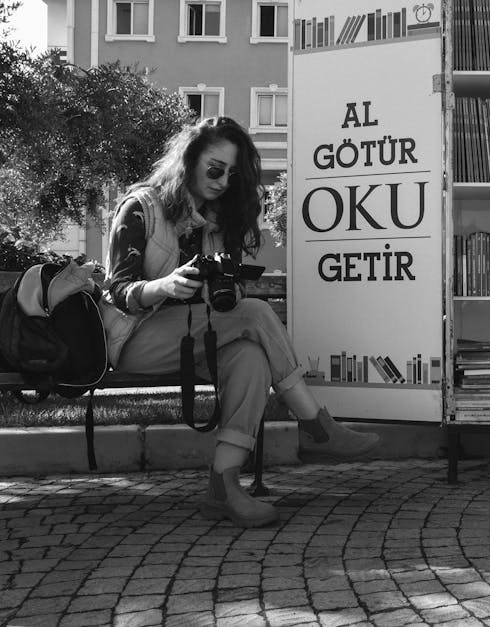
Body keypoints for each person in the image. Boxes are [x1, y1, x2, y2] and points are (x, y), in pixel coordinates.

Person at [99, 116, 380, 528]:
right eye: (215, 169)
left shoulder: (216, 220)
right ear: (189, 160)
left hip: (195, 338)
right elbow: (117, 291)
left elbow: (223, 304)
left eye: (231, 174)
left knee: (249, 357)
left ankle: (224, 485)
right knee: (256, 314)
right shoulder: (141, 208)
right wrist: (165, 286)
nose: (222, 181)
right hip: (135, 337)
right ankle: (315, 426)